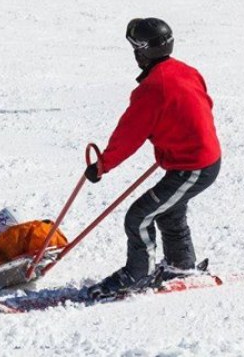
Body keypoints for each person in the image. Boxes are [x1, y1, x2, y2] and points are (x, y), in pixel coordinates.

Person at [83, 18, 221, 298]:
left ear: (142, 51)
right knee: (168, 209)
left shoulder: (152, 89)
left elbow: (128, 135)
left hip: (193, 166)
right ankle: (181, 265)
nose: (134, 54)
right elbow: (201, 105)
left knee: (139, 216)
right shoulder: (185, 70)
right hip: (195, 159)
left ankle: (138, 276)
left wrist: (102, 166)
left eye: (135, 48)